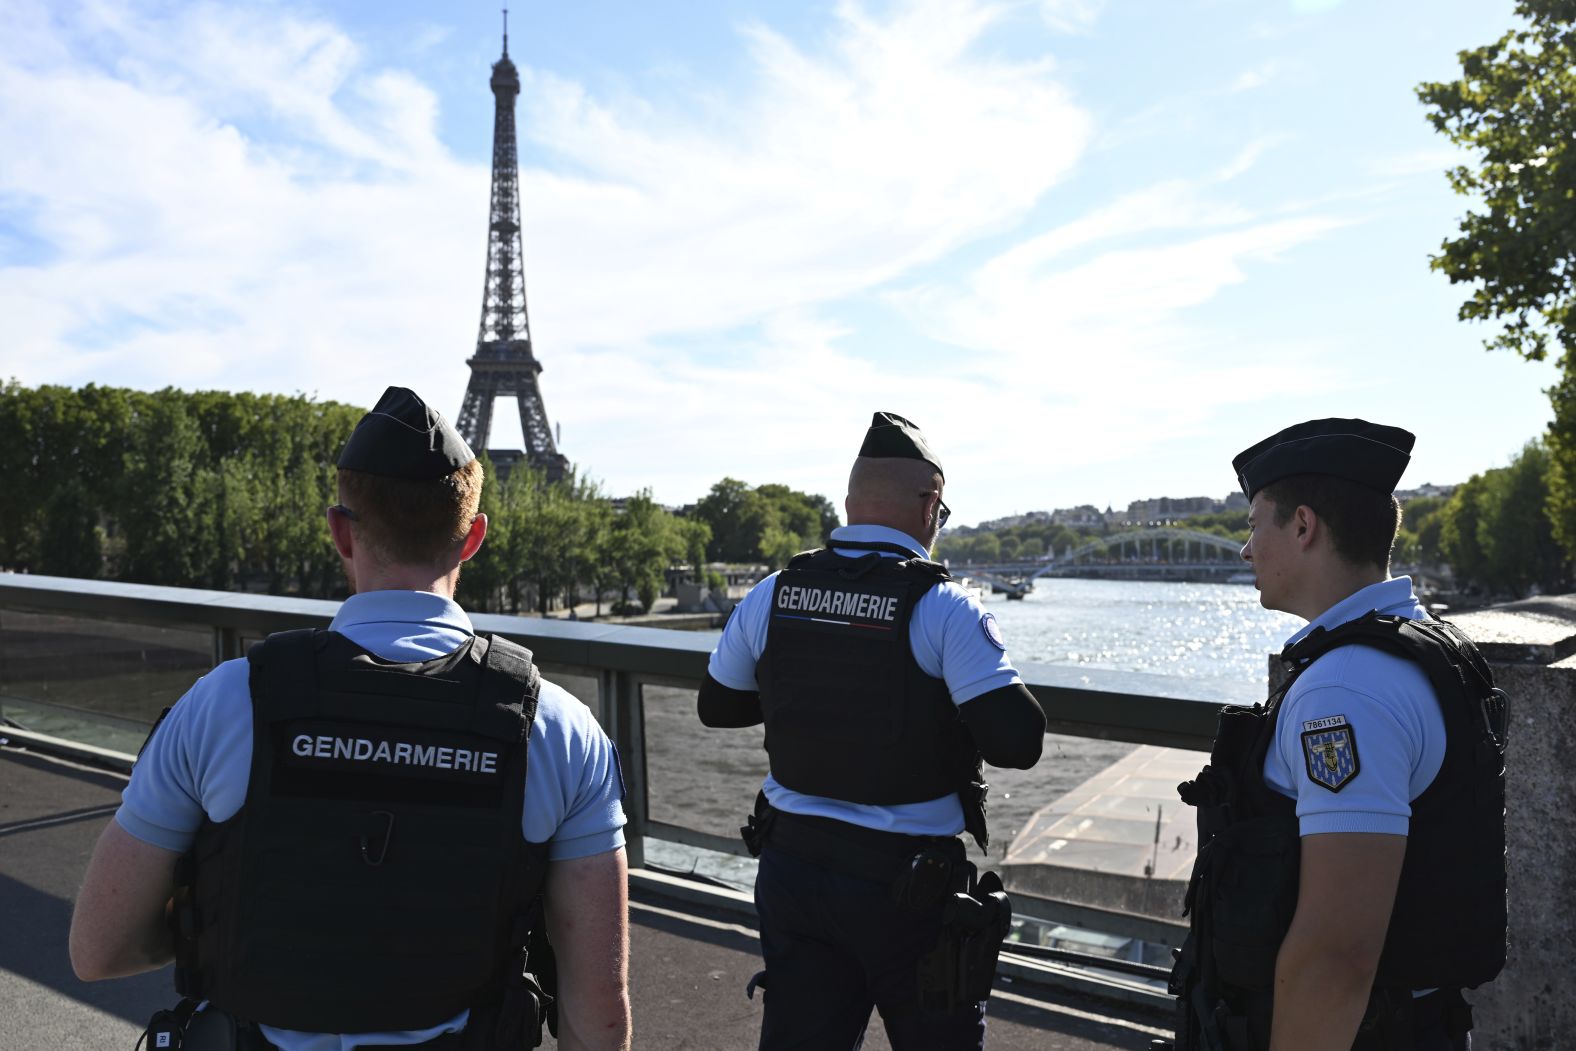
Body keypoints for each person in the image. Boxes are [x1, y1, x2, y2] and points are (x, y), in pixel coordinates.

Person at [69, 387, 633, 1051]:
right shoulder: (560, 730)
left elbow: (97, 949)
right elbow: (597, 1010)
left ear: (340, 529)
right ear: (474, 537)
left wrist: (222, 921)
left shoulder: (223, 703)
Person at [698, 411, 1047, 1051]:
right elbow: (1018, 744)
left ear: (851, 504)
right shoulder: (944, 607)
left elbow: (717, 706)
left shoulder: (774, 591)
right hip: (908, 890)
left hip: (793, 866)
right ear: (929, 506)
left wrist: (808, 697)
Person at [1167, 418, 1506, 1051]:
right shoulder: (1427, 647)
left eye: (1252, 524)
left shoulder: (1344, 690)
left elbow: (1338, 953)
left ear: (1302, 526)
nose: (1245, 550)